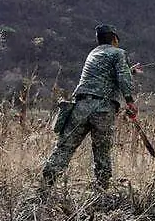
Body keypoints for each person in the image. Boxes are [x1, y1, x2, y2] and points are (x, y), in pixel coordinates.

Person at [40, 24, 136, 195]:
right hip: (103, 108)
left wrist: (130, 71)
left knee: (64, 147)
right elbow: (122, 77)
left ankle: (46, 186)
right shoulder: (118, 53)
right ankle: (101, 190)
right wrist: (130, 101)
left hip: (80, 106)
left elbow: (104, 75)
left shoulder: (93, 53)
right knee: (102, 151)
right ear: (114, 38)